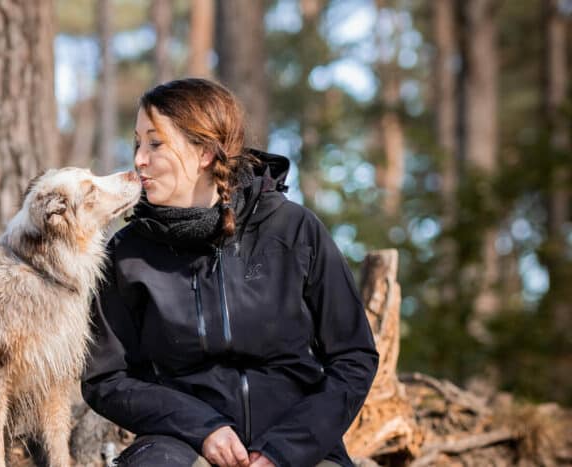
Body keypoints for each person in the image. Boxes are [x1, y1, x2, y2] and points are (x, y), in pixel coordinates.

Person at [81, 78, 378, 467]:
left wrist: (286, 449)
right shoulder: (126, 254)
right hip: (178, 441)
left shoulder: (292, 230)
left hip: (296, 443)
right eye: (138, 143)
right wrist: (203, 427)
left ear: (204, 152)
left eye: (155, 143)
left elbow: (353, 356)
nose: (138, 159)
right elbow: (106, 378)